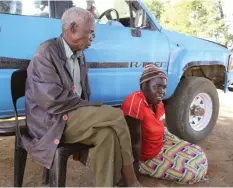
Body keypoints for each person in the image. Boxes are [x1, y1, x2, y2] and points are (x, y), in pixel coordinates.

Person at [23, 7, 141, 187]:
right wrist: (88, 107)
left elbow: (81, 91)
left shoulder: (79, 54)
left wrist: (86, 107)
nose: (92, 37)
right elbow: (52, 100)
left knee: (107, 135)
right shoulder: (45, 53)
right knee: (116, 116)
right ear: (72, 29)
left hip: (72, 116)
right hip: (52, 121)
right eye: (90, 32)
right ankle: (130, 179)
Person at [121, 64, 208, 184]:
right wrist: (134, 178)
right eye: (157, 86)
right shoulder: (134, 103)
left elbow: (160, 127)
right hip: (145, 158)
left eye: (164, 87)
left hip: (159, 143)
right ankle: (145, 168)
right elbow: (133, 145)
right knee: (194, 171)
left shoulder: (157, 103)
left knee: (198, 152)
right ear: (144, 86)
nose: (162, 91)